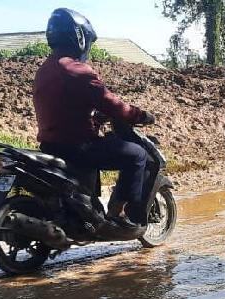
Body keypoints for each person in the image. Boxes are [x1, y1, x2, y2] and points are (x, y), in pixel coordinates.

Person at [33, 8, 156, 228]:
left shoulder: (45, 69)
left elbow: (67, 106)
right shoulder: (75, 69)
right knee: (137, 154)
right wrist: (139, 115)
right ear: (79, 37)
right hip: (77, 146)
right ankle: (116, 215)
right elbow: (111, 103)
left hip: (50, 145)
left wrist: (95, 119)